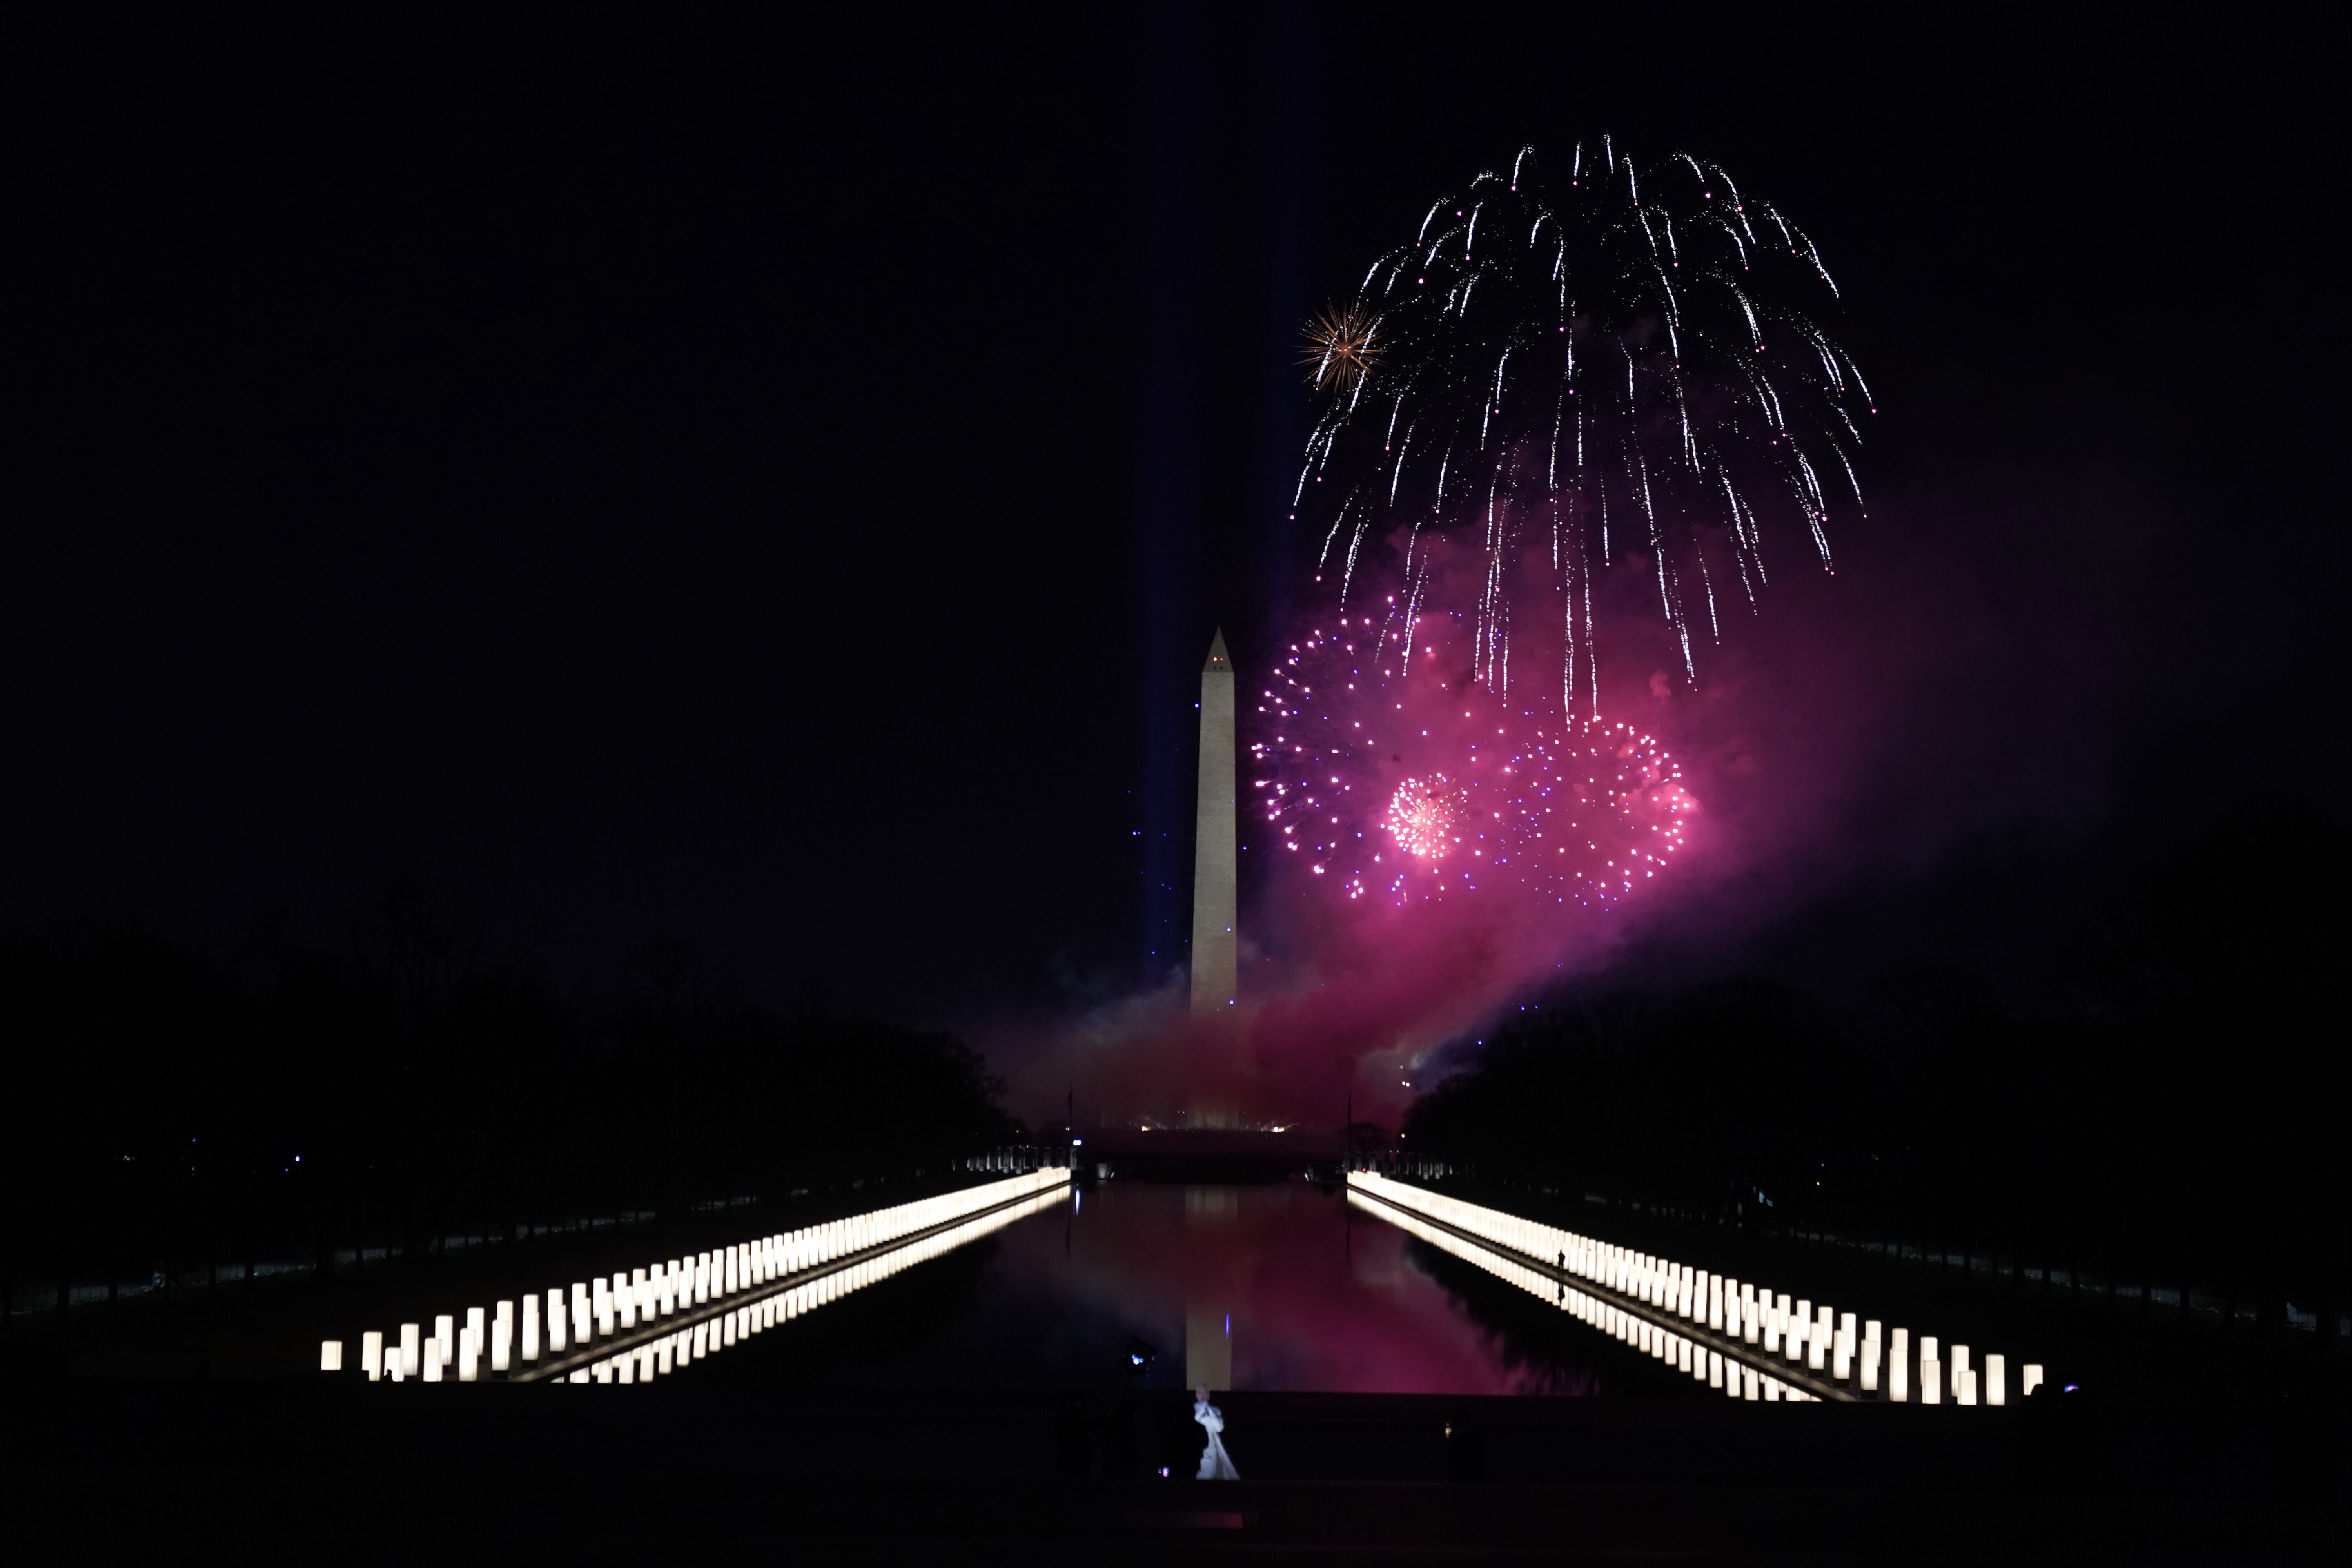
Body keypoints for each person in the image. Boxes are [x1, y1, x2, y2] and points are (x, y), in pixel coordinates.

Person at [1193, 1386, 1239, 1480]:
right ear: (1196, 1395)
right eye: (1200, 1393)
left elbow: (1219, 1428)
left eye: (1205, 1393)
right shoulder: (1194, 1409)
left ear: (1208, 1395)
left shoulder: (1215, 1410)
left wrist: (1210, 1410)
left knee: (1215, 1472)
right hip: (1200, 1445)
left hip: (1213, 1446)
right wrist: (1204, 1408)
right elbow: (1197, 1419)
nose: (1202, 1395)